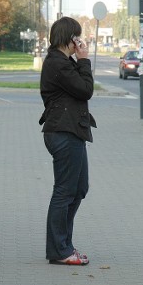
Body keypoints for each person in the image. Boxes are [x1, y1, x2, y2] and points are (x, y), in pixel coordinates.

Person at [39, 17, 96, 266]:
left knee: (79, 188)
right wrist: (84, 60)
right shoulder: (57, 63)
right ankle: (59, 249)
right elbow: (85, 90)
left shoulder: (63, 62)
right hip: (63, 132)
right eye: (77, 37)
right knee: (64, 191)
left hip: (72, 131)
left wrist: (79, 61)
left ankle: (64, 244)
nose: (80, 42)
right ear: (69, 37)